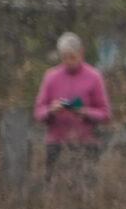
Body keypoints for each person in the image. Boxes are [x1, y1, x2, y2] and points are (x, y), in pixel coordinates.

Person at [33, 32, 112, 176]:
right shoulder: (50, 76)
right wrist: (51, 111)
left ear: (81, 53)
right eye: (64, 58)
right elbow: (38, 112)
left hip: (86, 144)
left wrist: (84, 112)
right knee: (54, 188)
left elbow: (105, 113)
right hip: (56, 144)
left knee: (86, 189)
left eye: (72, 57)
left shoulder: (94, 77)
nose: (68, 62)